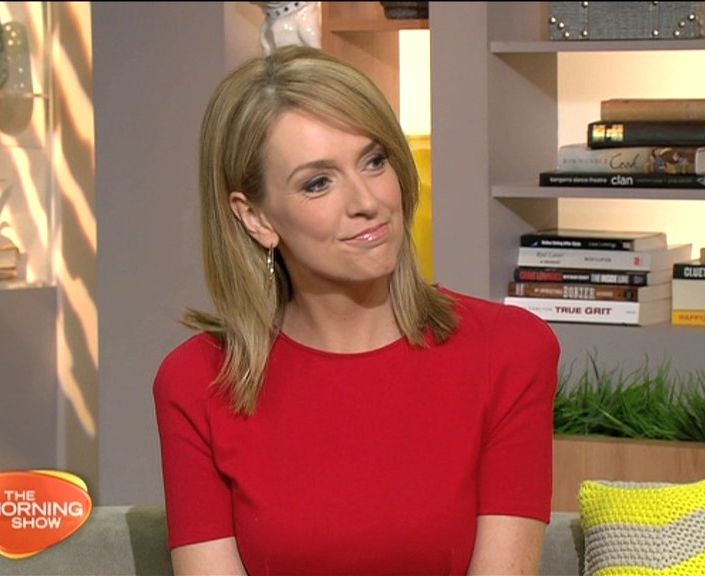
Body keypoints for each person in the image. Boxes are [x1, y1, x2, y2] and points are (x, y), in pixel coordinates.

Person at [153, 45, 561, 575]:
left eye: (374, 161)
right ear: (255, 218)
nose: (367, 201)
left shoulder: (508, 351)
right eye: (318, 183)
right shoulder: (196, 382)